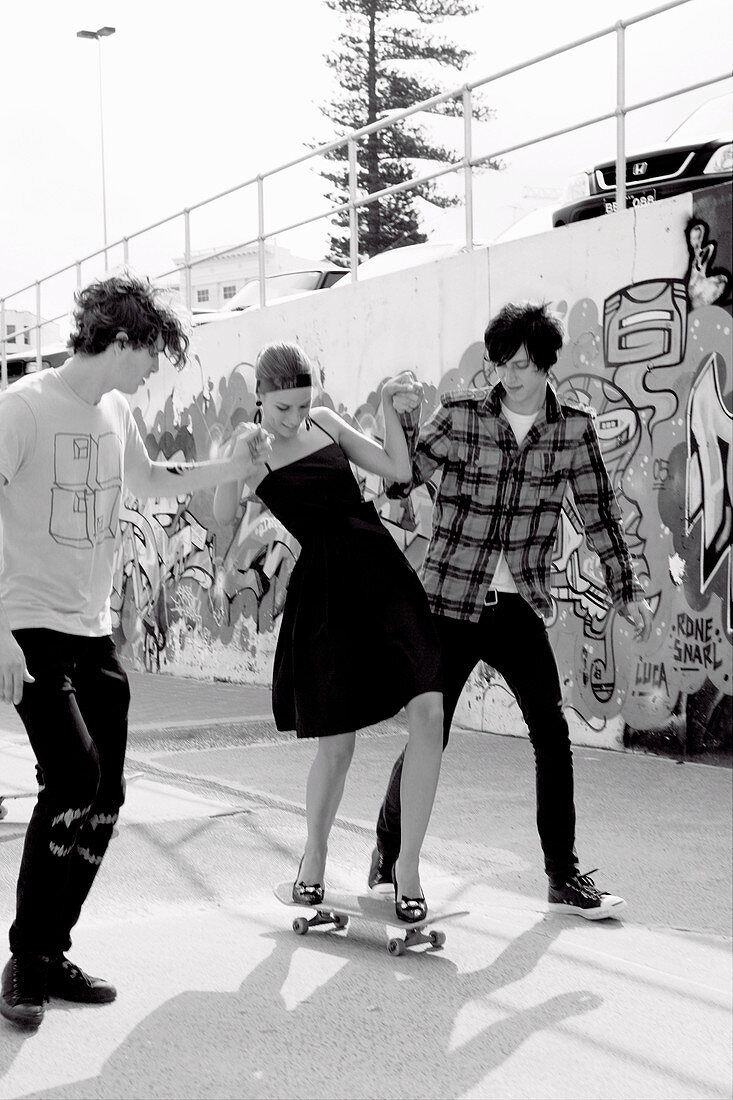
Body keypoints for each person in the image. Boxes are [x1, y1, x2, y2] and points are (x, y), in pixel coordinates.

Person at [0, 273, 270, 1030]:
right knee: (74, 775)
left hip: (91, 627)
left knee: (107, 795)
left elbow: (147, 479)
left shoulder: (116, 408)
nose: (155, 371)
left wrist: (232, 467)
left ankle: (50, 952)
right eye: (151, 353)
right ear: (120, 341)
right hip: (27, 623)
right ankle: (24, 958)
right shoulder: (20, 409)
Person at [369, 302, 653, 920]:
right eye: (503, 363)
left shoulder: (573, 430)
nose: (512, 376)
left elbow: (599, 514)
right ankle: (388, 855)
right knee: (429, 734)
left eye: (524, 364)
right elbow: (400, 479)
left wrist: (625, 591)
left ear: (547, 362)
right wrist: (395, 413)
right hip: (448, 601)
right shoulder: (463, 414)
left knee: (552, 735)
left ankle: (563, 876)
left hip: (518, 603)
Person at [213, 342, 444, 925]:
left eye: (301, 405)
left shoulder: (325, 422)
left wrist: (390, 405)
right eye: (282, 408)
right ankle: (313, 857)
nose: (293, 419)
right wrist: (239, 453)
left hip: (381, 571)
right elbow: (220, 513)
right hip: (325, 591)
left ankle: (407, 869)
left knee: (429, 713)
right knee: (337, 745)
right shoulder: (250, 448)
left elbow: (397, 469)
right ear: (260, 398)